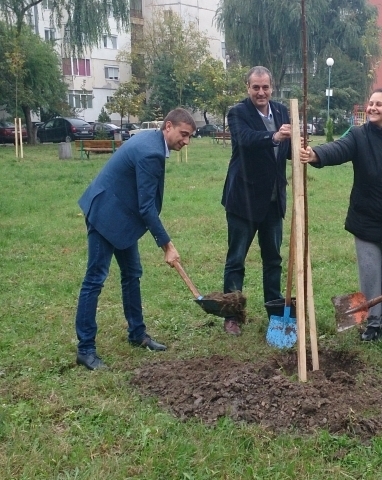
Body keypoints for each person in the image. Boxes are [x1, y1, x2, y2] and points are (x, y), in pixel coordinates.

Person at [300, 88, 382, 341]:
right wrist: (316, 154)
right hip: (365, 219)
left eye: (378, 104)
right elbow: (339, 149)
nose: (372, 108)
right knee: (370, 275)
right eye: (370, 103)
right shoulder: (358, 136)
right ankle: (373, 322)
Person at [75, 108, 196, 370]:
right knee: (95, 279)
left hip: (121, 216)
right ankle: (85, 350)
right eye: (183, 134)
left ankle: (137, 335)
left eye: (190, 137)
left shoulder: (151, 140)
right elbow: (146, 207)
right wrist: (167, 245)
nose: (186, 141)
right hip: (106, 214)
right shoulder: (151, 151)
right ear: (168, 127)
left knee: (132, 273)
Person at [221, 66, 292, 336]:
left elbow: (285, 151)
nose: (261, 92)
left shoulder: (283, 111)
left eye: (265, 87)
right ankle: (232, 316)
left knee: (273, 259)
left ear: (271, 87)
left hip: (273, 201)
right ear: (248, 89)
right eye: (255, 87)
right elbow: (246, 140)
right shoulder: (238, 112)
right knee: (236, 259)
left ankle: (275, 315)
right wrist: (273, 136)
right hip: (244, 200)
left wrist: (301, 149)